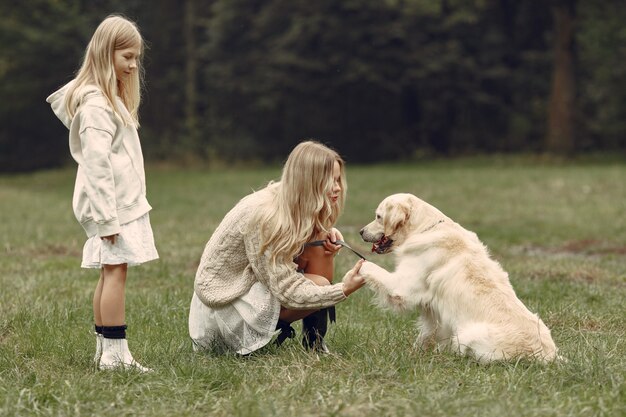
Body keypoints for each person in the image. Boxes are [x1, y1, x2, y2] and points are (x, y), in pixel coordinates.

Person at [46, 15, 157, 371]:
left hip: (117, 205)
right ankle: (113, 354)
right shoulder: (95, 107)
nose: (134, 64)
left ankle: (108, 350)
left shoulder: (109, 101)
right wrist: (108, 217)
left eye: (137, 57)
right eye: (127, 56)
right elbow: (96, 167)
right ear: (105, 54)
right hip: (111, 208)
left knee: (111, 270)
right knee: (115, 273)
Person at [189, 140, 365, 355]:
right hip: (225, 306)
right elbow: (287, 291)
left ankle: (315, 342)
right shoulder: (267, 215)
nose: (337, 187)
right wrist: (343, 289)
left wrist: (324, 243)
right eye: (329, 180)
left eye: (338, 179)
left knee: (319, 242)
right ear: (308, 181)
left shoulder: (293, 199)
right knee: (318, 283)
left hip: (251, 284)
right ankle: (257, 341)